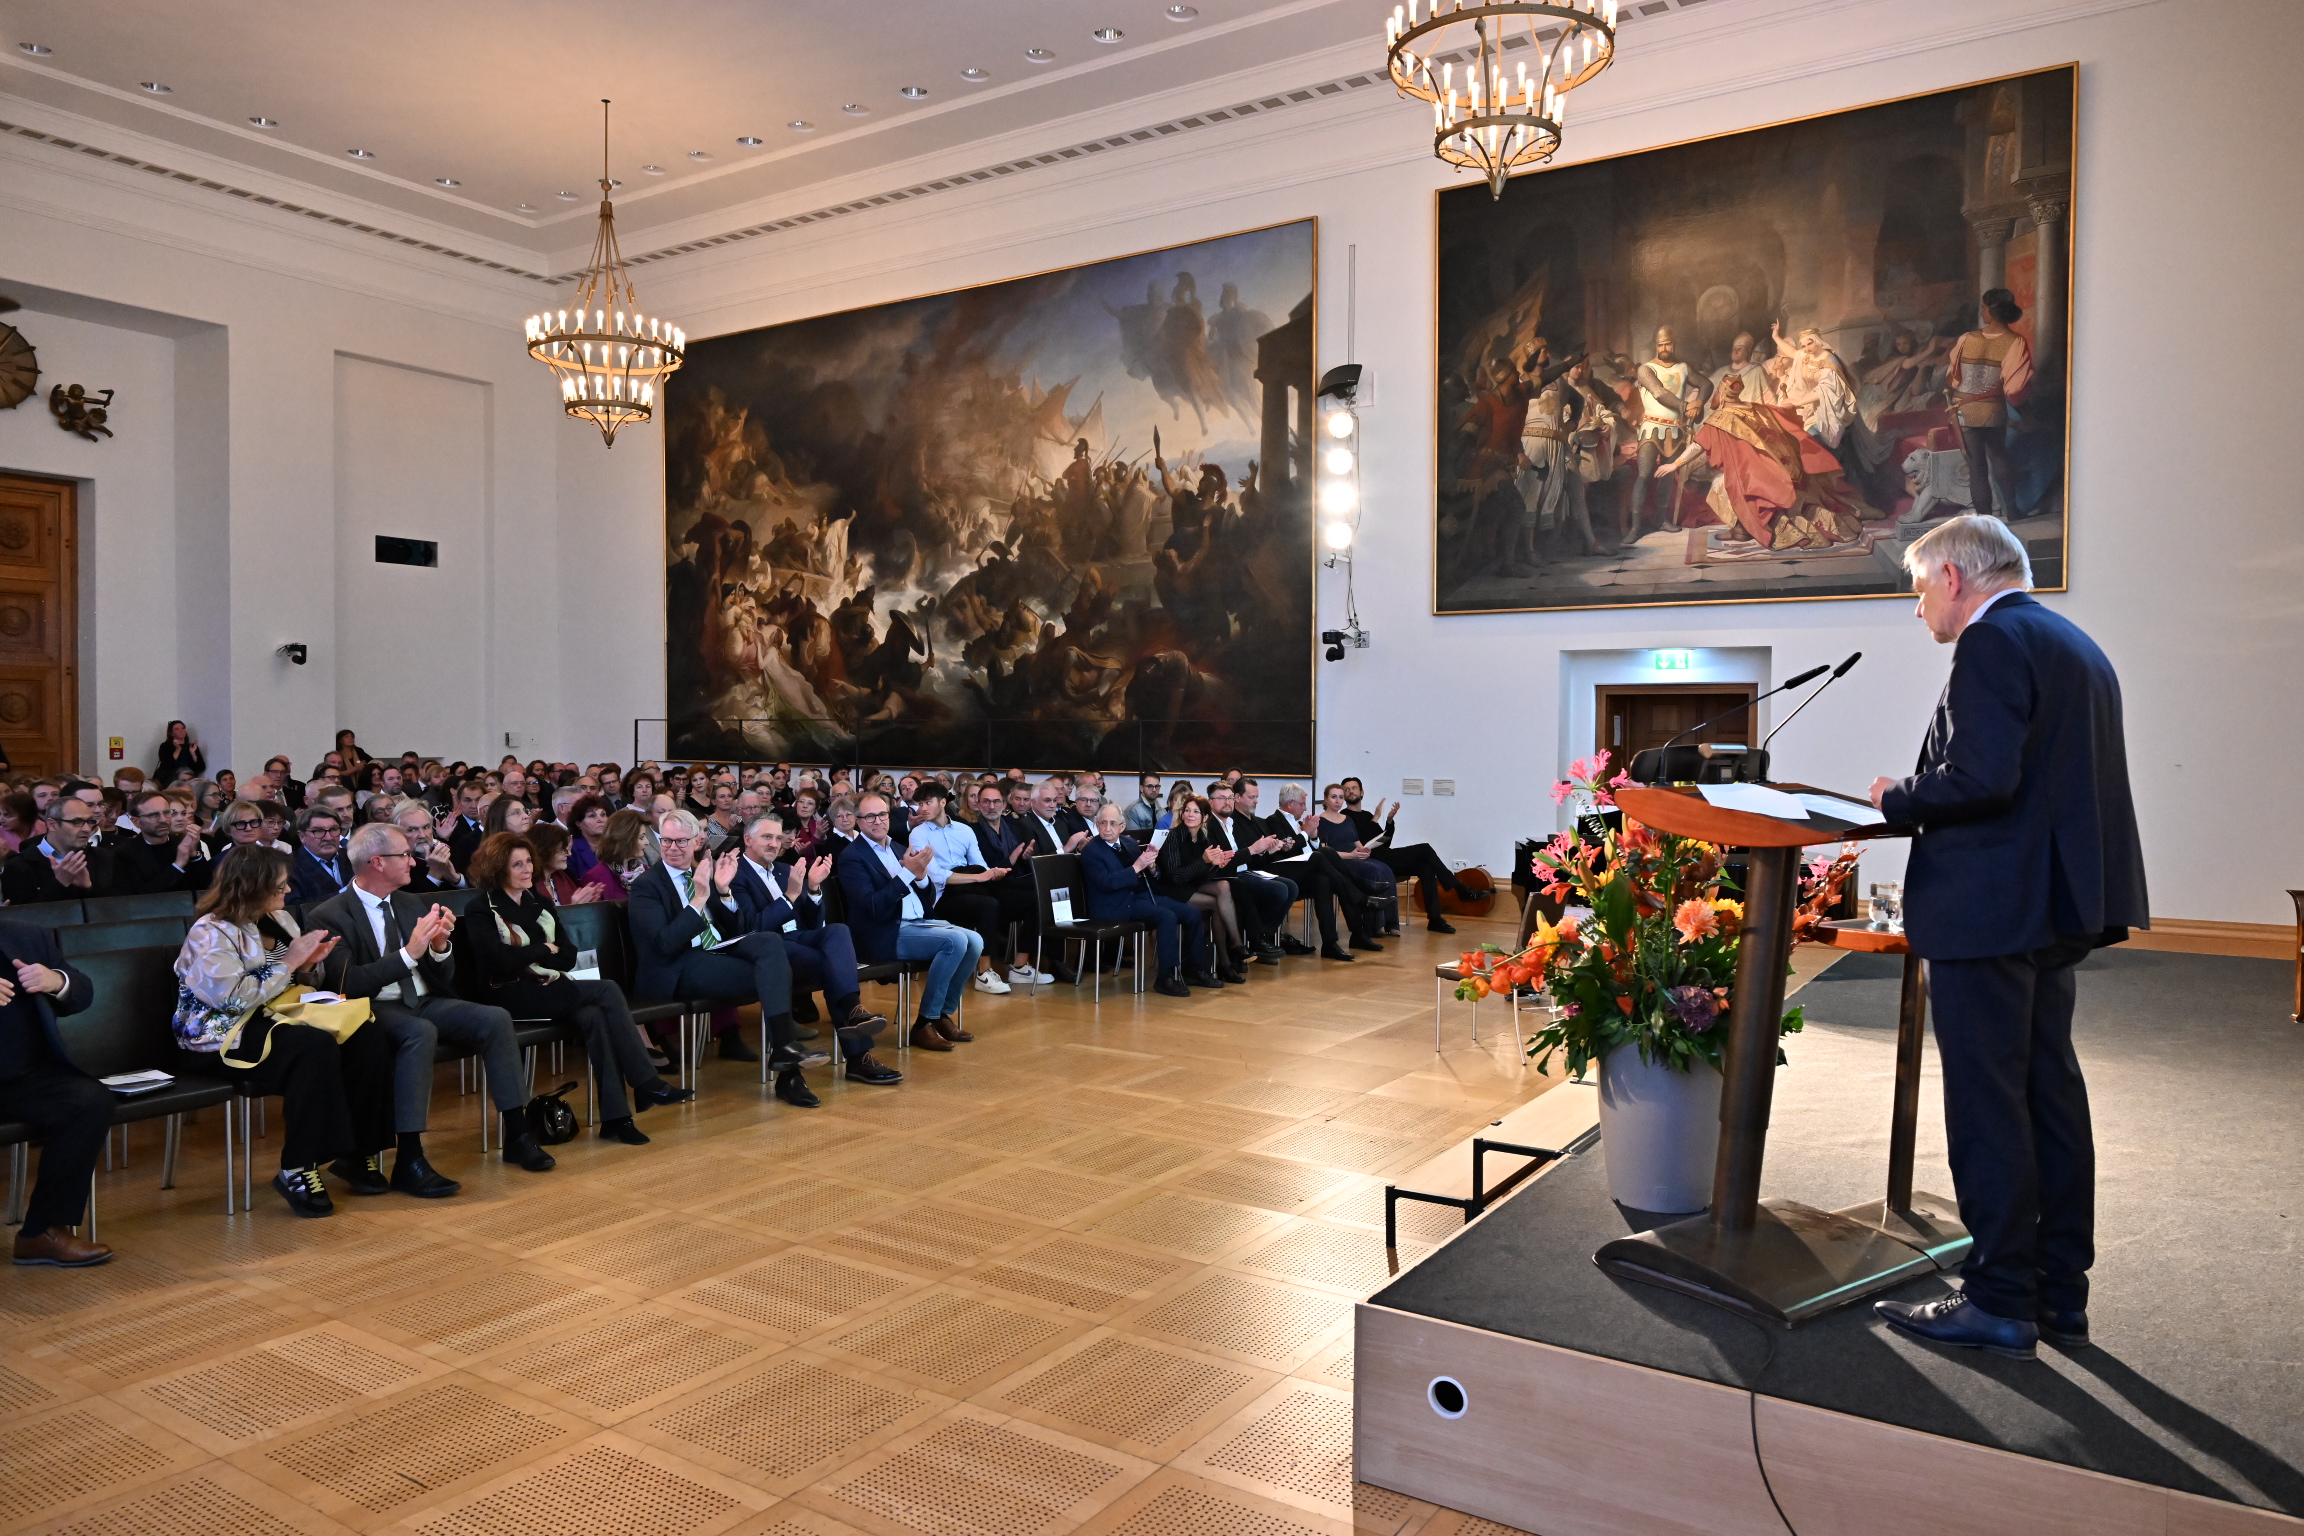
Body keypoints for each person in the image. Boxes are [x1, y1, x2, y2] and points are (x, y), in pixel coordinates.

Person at [1866, 515, 2147, 1362]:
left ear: (1954, 576)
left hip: (1990, 910)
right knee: (2048, 1096)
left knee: (1989, 1107)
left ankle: (1995, 1300)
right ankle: (2059, 1296)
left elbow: (1980, 779)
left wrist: (1896, 796)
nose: (1920, 610)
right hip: (2050, 909)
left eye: (1920, 590)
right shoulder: (2072, 642)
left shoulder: (1991, 643)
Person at [306, 823, 551, 1185]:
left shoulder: (410, 902)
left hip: (423, 998)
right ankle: (410, 1157)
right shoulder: (329, 915)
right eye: (404, 855)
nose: (413, 861)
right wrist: (409, 954)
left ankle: (517, 1134)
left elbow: (443, 973)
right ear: (377, 862)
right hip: (374, 1008)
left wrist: (439, 948)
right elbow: (349, 984)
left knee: (497, 1019)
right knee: (418, 1032)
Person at [173, 846, 396, 1218]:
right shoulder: (210, 932)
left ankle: (357, 1152)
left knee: (367, 1032)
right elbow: (231, 1000)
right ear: (251, 887)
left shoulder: (279, 919)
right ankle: (299, 1165)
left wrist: (309, 966)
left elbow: (294, 983)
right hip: (220, 1032)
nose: (288, 890)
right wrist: (291, 961)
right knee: (313, 1047)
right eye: (279, 885)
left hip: (278, 1015)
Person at [459, 832, 694, 1146]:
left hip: (550, 987)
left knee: (595, 1016)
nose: (527, 869)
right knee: (607, 990)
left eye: (528, 861)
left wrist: (540, 953)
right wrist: (545, 949)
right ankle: (645, 1080)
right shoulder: (481, 908)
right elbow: (499, 963)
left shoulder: (539, 902)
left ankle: (617, 1118)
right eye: (517, 864)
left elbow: (568, 956)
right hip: (508, 995)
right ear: (497, 868)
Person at [626, 808, 824, 1104]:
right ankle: (789, 1070)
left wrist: (724, 891)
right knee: (774, 974)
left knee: (769, 942)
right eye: (666, 841)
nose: (672, 848)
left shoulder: (704, 874)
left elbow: (740, 928)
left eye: (681, 841)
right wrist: (700, 899)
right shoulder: (646, 886)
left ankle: (784, 1051)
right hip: (679, 967)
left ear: (697, 842)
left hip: (717, 953)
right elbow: (664, 945)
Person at [724, 813, 899, 1083]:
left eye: (778, 837)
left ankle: (853, 1011)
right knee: (835, 968)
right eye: (766, 837)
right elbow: (753, 928)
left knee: (838, 931)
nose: (774, 843)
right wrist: (791, 895)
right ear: (747, 839)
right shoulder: (736, 874)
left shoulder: (784, 870)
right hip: (769, 950)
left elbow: (812, 923)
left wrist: (814, 888)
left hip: (800, 940)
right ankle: (858, 1056)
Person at [0, 917, 111, 1263]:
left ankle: (42, 1232)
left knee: (89, 1101)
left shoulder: (27, 934)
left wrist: (56, 981)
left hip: (22, 1075)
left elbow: (82, 992)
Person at [835, 793, 981, 1052]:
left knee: (975, 940)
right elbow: (872, 906)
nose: (877, 821)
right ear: (858, 821)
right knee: (955, 940)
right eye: (869, 816)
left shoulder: (898, 848)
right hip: (883, 931)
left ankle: (941, 1015)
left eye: (882, 814)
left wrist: (922, 877)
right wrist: (906, 874)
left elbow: (925, 896)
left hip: (917, 923)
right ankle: (924, 1023)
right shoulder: (852, 857)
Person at [1082, 803, 1208, 996]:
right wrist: (1136, 867)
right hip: (1115, 904)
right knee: (1166, 917)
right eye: (1103, 823)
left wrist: (1151, 867)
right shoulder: (1092, 851)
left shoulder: (1130, 844)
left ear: (1122, 826)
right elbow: (1107, 883)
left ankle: (1194, 969)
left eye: (1113, 823)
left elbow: (1151, 876)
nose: (1108, 828)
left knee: (1191, 913)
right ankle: (1165, 977)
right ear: (1097, 825)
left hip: (1141, 896)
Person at [1340, 776, 1473, 934]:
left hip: (1385, 856)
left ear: (1362, 792)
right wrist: (1375, 820)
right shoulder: (1345, 816)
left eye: (1354, 788)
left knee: (1426, 868)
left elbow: (1384, 842)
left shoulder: (1368, 815)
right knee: (1424, 848)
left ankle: (1435, 919)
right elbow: (1362, 841)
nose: (1350, 792)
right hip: (1372, 863)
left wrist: (1389, 822)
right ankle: (1458, 887)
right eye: (1346, 790)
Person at [1945, 289, 2035, 519]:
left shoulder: (1967, 339)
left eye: (1984, 308)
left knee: (1977, 467)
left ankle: (1985, 519)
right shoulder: (2015, 342)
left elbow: (1953, 377)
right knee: (1999, 456)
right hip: (1993, 408)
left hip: (1964, 408)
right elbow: (2014, 388)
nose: (1982, 312)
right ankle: (2012, 510)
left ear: (1992, 311)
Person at [1154, 796, 1246, 984]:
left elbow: (1202, 875)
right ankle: (1227, 960)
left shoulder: (1204, 837)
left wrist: (1216, 864)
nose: (1190, 815)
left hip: (1191, 885)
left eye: (1196, 812)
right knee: (1217, 904)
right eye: (1187, 810)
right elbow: (1175, 877)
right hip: (1172, 889)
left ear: (1204, 817)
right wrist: (1204, 861)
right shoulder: (1173, 836)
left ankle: (1232, 951)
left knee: (1223, 886)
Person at [1207, 782, 1302, 961]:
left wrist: (1266, 850)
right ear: (1211, 801)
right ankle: (1257, 940)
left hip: (1245, 869)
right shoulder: (1210, 825)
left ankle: (1264, 935)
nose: (1227, 802)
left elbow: (1243, 856)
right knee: (1278, 890)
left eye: (1229, 798)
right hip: (1229, 875)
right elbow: (1226, 860)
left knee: (1291, 886)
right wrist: (1253, 849)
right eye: (1221, 798)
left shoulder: (1230, 822)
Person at [1310, 784, 1399, 936]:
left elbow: (1357, 843)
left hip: (1355, 857)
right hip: (1341, 861)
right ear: (1326, 799)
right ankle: (1374, 925)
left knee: (1385, 869)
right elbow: (1325, 851)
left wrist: (1364, 850)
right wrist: (1352, 855)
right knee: (1374, 871)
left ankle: (1392, 923)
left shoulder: (1347, 819)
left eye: (1340, 797)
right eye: (1333, 797)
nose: (1338, 801)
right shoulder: (1321, 821)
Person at [2, 795, 114, 904]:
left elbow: (116, 911)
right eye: (77, 822)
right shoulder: (19, 865)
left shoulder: (102, 857)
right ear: (52, 825)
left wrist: (88, 888)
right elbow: (21, 918)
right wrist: (60, 883)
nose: (86, 829)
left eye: (90, 822)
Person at [111, 789, 212, 894]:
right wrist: (178, 865)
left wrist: (194, 856)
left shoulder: (182, 844)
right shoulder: (124, 854)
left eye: (167, 812)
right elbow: (139, 897)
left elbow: (206, 887)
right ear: (136, 821)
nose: (163, 820)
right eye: (153, 815)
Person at [286, 806, 354, 906]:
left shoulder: (353, 857)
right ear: (302, 836)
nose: (328, 837)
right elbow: (295, 908)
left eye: (333, 829)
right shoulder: (287, 866)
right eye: (318, 831)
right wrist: (346, 892)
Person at [526, 823, 606, 905]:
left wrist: (586, 904)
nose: (569, 854)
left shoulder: (567, 876)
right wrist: (574, 907)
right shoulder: (527, 886)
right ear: (545, 850)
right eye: (563, 849)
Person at [393, 802, 464, 893]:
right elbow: (411, 905)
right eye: (412, 830)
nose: (422, 835)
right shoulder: (395, 865)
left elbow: (477, 891)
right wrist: (434, 874)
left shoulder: (446, 852)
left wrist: (456, 879)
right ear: (397, 833)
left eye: (426, 827)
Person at [587, 808, 652, 900]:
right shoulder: (595, 877)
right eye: (641, 838)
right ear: (625, 839)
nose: (647, 842)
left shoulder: (644, 870)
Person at [154, 720, 204, 786]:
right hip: (169, 779)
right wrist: (178, 749)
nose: (181, 730)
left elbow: (200, 768)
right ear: (171, 733)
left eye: (183, 728)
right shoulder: (165, 746)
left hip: (188, 779)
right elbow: (167, 765)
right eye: (177, 729)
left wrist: (193, 754)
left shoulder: (191, 747)